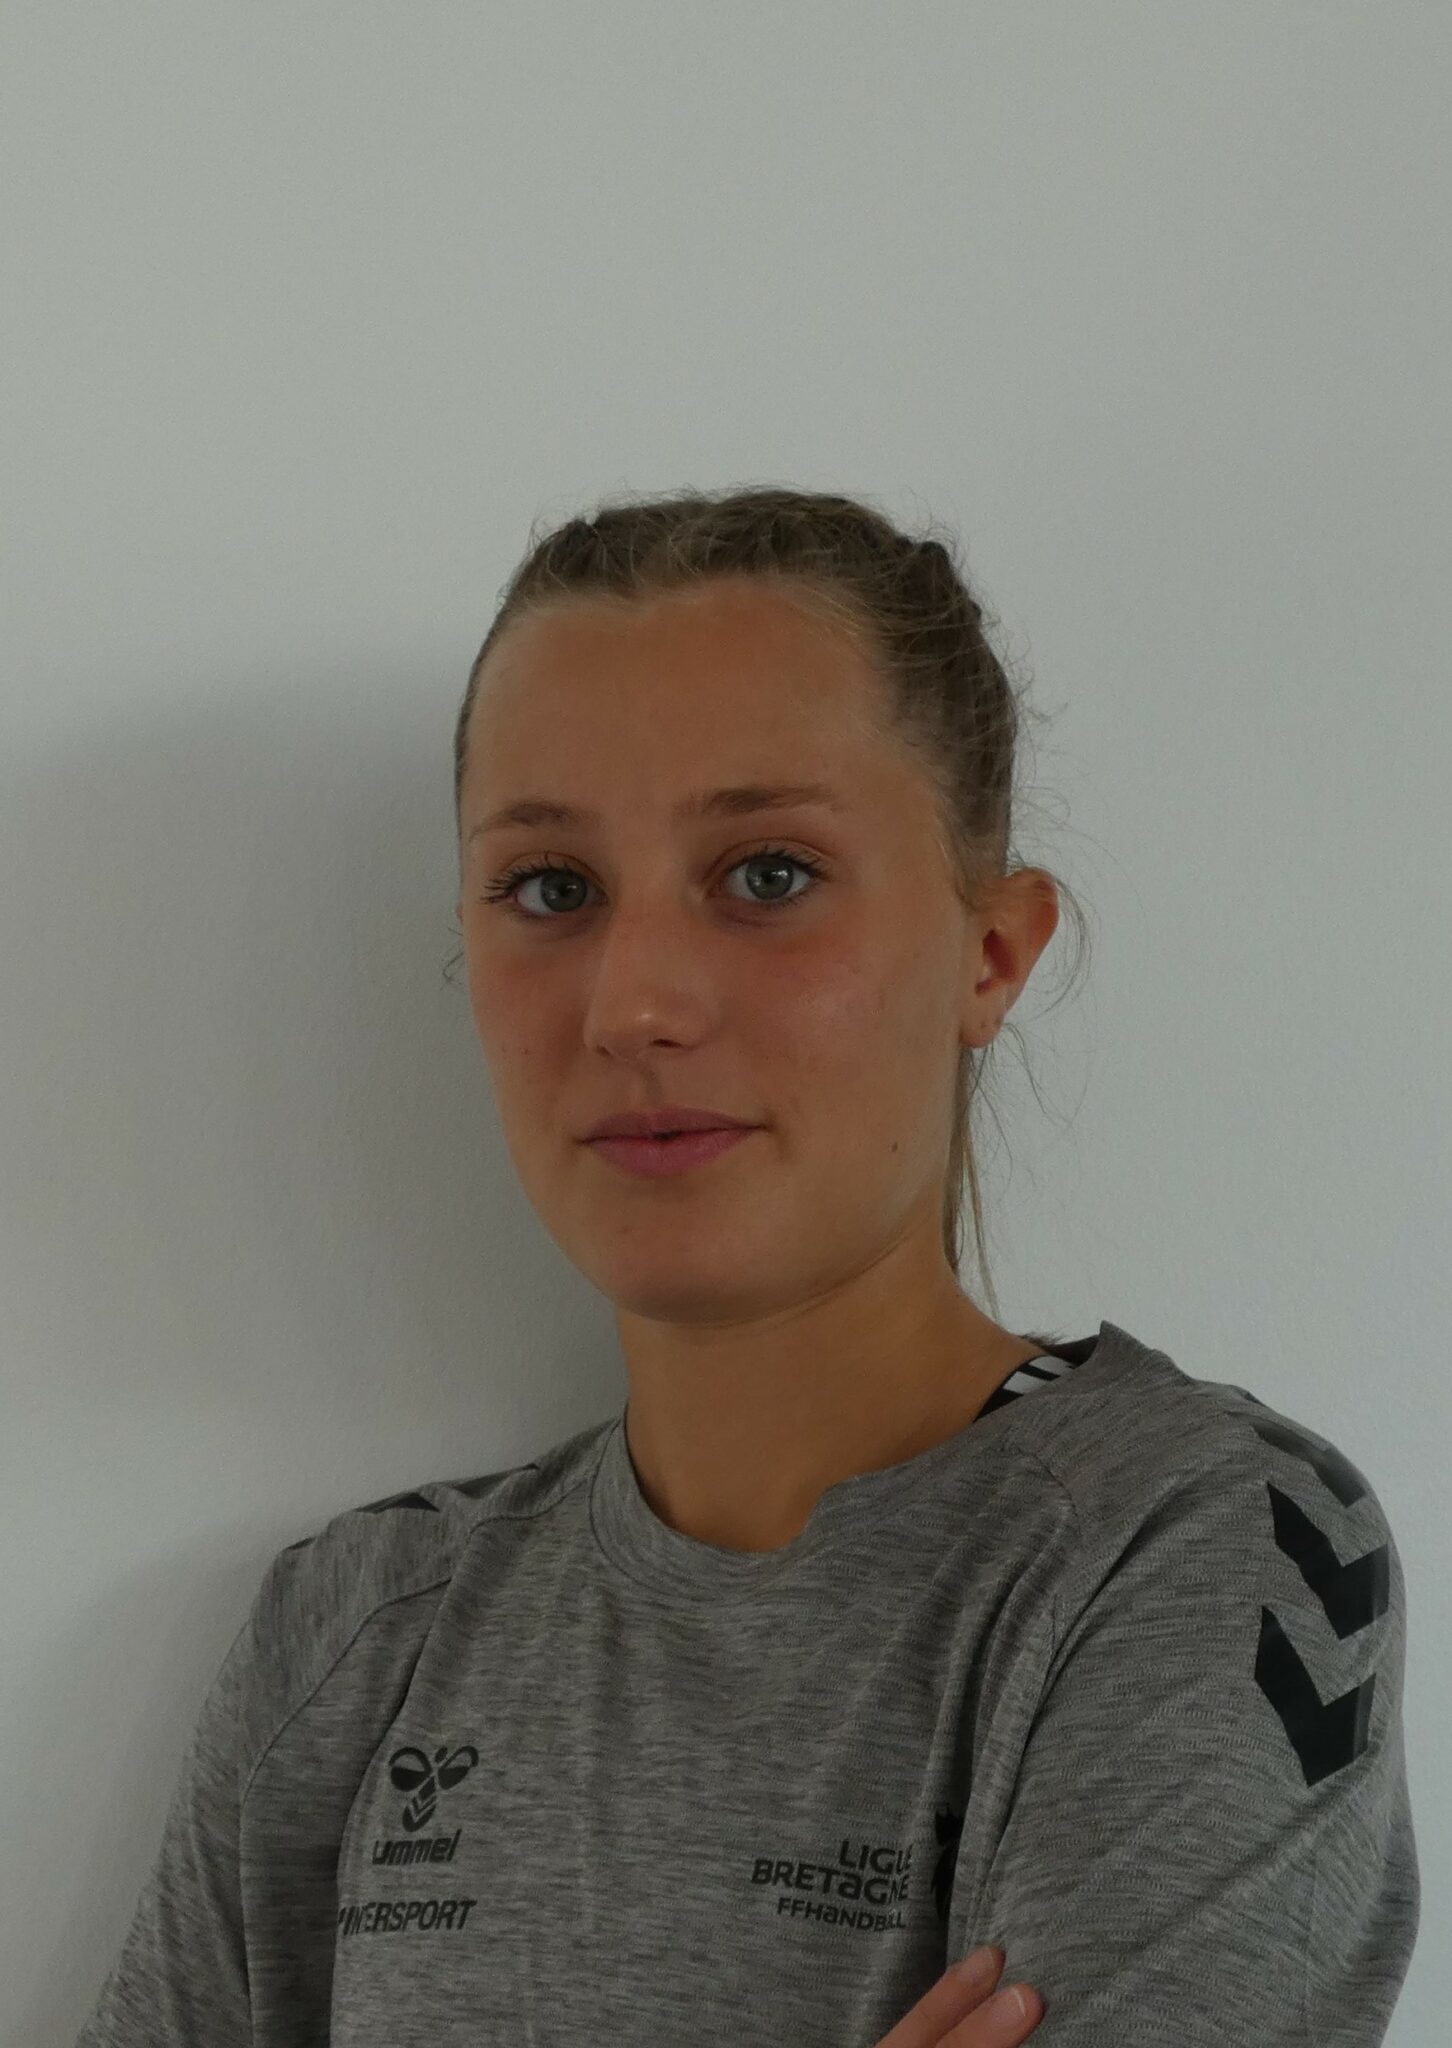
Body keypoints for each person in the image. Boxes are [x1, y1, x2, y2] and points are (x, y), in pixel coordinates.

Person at [75, 488, 1419, 2045]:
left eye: (768, 874)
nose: (633, 1003)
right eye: (551, 889)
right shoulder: (354, 1627)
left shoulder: (1190, 1544)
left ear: (991, 954)